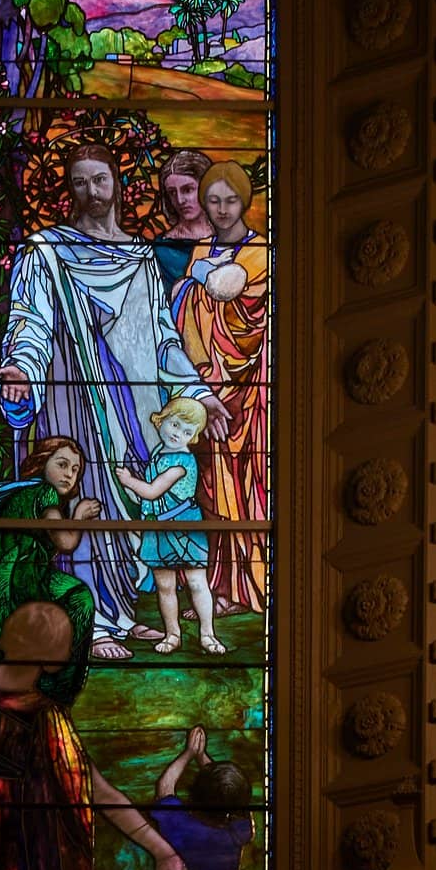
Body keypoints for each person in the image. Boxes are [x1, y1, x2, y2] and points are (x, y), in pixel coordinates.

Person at [0, 142, 230, 659]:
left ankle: (120, 613)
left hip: (133, 407)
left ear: (117, 185)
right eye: (79, 182)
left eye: (99, 179)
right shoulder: (45, 252)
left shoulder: (142, 260)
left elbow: (164, 339)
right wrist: (23, 371)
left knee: (123, 504)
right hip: (72, 401)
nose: (91, 191)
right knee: (83, 500)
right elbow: (31, 324)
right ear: (69, 189)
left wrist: (197, 394)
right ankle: (93, 621)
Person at [0, 602, 190, 870]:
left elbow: (94, 788)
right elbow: (99, 791)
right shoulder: (49, 721)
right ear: (55, 659)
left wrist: (162, 851)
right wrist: (162, 850)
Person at [172, 159, 268, 614]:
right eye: (214, 200)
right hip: (207, 385)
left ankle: (246, 584)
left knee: (245, 483)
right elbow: (190, 307)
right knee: (210, 488)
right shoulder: (203, 247)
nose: (222, 208)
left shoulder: (261, 251)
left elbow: (226, 289)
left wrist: (197, 276)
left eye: (231, 200)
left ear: (245, 201)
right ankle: (219, 587)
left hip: (249, 394)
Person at [0, 436, 99, 708]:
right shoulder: (44, 492)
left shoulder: (25, 492)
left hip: (7, 573)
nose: (69, 474)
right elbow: (65, 541)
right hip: (17, 576)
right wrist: (79, 516)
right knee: (80, 598)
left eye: (75, 469)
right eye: (62, 464)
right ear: (41, 463)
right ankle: (56, 687)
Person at [116, 398, 225, 656]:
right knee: (165, 586)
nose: (178, 434)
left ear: (194, 436)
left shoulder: (182, 462)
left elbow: (152, 492)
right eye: (175, 424)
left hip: (184, 528)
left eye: (188, 431)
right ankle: (172, 634)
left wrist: (128, 481)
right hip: (158, 529)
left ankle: (208, 634)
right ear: (161, 420)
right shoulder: (159, 453)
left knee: (197, 582)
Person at [147, 725, 254, 870]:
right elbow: (228, 793)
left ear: (195, 793)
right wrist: (203, 756)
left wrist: (190, 753)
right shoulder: (239, 829)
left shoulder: (178, 823)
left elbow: (164, 787)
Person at [151, 148, 212, 299]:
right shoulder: (161, 249)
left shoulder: (227, 239)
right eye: (172, 192)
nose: (180, 200)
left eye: (187, 190)